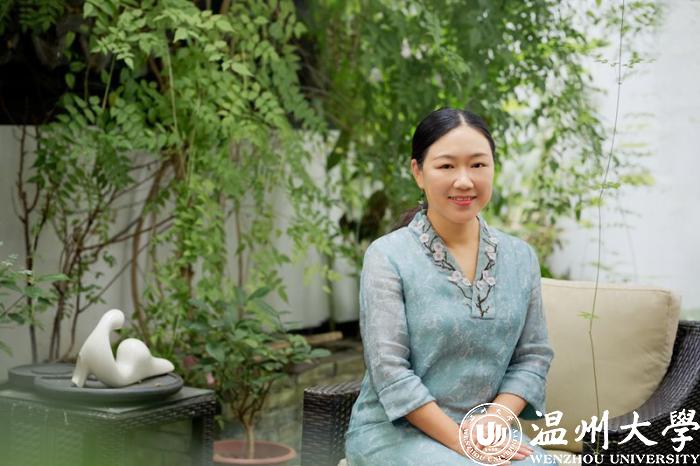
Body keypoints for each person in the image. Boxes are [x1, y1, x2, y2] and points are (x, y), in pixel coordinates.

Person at [344, 108, 558, 465]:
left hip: (483, 430)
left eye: (478, 165)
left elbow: (532, 356)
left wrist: (494, 422)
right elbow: (390, 370)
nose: (464, 181)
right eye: (446, 166)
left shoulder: (520, 257)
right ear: (418, 172)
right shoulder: (388, 256)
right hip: (395, 432)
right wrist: (462, 443)